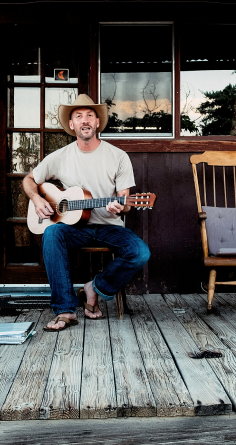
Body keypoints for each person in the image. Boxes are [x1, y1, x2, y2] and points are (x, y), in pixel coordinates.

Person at [23, 94, 150, 331]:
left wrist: (121, 206)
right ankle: (65, 310)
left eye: (90, 115)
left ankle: (94, 287)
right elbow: (29, 179)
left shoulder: (118, 157)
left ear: (97, 122)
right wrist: (37, 199)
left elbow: (126, 202)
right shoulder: (60, 156)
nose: (85, 120)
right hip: (74, 229)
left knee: (140, 252)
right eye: (79, 116)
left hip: (109, 227)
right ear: (71, 124)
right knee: (51, 233)